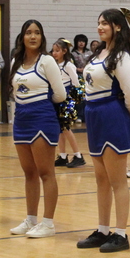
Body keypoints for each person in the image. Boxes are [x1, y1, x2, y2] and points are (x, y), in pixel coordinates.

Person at [77, 9, 130, 253]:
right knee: (101, 179)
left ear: (118, 27)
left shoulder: (121, 56)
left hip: (112, 114)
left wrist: (123, 116)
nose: (100, 27)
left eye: (106, 23)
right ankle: (103, 230)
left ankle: (121, 234)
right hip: (94, 117)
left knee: (117, 180)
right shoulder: (98, 53)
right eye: (99, 22)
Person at [8, 20, 66, 238]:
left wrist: (40, 104)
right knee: (29, 172)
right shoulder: (16, 61)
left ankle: (48, 223)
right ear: (22, 36)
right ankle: (31, 219)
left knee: (45, 172)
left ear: (42, 37)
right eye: (28, 32)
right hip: (21, 119)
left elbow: (60, 94)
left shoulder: (47, 61)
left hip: (42, 118)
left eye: (37, 33)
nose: (33, 36)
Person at [52, 38, 86, 168]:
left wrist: (70, 98)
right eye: (53, 51)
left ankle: (78, 155)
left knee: (66, 128)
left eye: (57, 50)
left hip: (65, 100)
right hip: (56, 98)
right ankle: (63, 156)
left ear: (64, 51)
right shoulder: (54, 65)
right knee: (60, 129)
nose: (54, 53)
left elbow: (76, 83)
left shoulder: (69, 65)